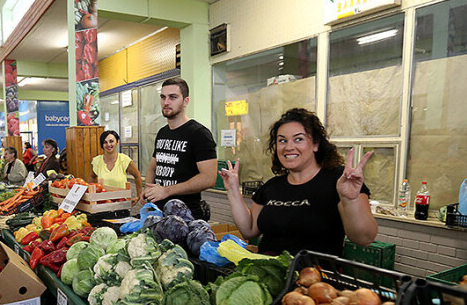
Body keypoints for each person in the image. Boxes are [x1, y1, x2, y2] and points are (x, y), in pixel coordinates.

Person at [218, 108, 378, 256]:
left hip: (314, 281)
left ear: (315, 144)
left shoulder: (340, 181)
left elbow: (364, 238)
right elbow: (249, 230)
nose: (289, 147)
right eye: (282, 141)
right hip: (270, 276)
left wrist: (350, 200)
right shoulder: (272, 186)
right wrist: (232, 189)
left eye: (298, 139)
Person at [144, 77, 217, 219]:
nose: (166, 102)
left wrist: (167, 191)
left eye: (173, 97)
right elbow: (153, 167)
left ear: (185, 101)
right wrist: (148, 188)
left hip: (186, 217)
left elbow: (209, 178)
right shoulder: (162, 132)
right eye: (163, 97)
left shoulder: (199, 134)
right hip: (158, 213)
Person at [89, 131, 143, 204]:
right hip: (102, 203)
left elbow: (137, 176)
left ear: (117, 142)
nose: (108, 144)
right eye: (105, 142)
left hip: (121, 203)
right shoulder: (97, 161)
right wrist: (91, 196)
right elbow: (91, 177)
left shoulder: (124, 160)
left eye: (111, 141)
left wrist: (139, 196)